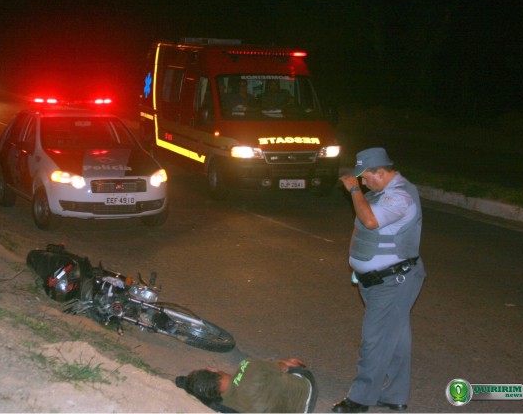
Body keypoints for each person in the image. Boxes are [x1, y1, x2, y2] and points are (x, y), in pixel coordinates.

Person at [334, 148, 426, 413]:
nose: (362, 182)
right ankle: (394, 395)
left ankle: (360, 400)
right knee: (395, 338)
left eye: (365, 177)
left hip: (393, 281)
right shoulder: (380, 193)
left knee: (373, 340)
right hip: (376, 280)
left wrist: (354, 191)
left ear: (381, 172)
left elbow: (371, 221)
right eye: (359, 180)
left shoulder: (402, 196)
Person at [176, 357, 317, 413]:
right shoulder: (248, 365)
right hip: (306, 389)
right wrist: (282, 362)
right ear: (212, 370)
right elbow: (284, 366)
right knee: (277, 367)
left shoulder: (226, 405)